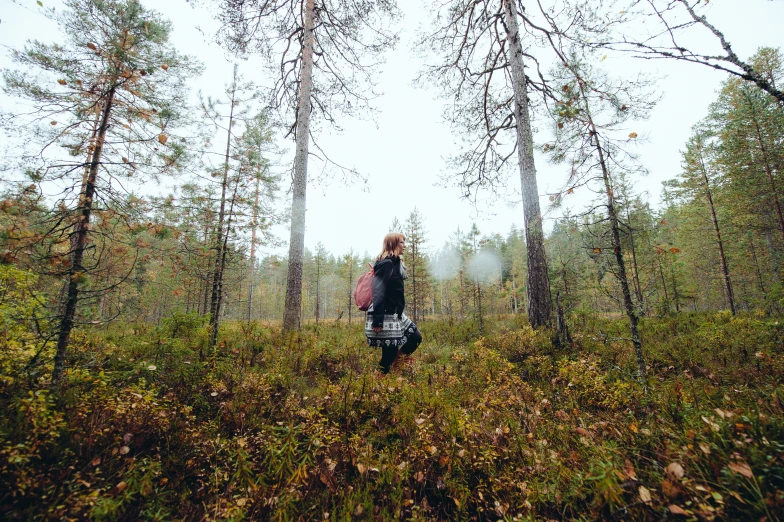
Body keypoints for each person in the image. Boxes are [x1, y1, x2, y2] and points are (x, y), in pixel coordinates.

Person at [365, 232, 422, 373]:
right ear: (393, 244)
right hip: (385, 314)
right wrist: (378, 320)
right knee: (388, 355)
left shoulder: (396, 263)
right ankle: (379, 382)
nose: (405, 246)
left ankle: (397, 364)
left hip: (396, 313)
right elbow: (378, 291)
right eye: (402, 242)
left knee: (415, 337)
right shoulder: (387, 264)